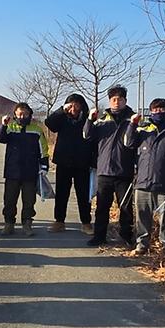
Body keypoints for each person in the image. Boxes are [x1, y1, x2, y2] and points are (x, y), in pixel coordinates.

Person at [123, 98, 165, 256]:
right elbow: (128, 143)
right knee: (142, 215)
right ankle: (142, 245)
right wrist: (132, 125)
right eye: (155, 110)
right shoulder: (144, 128)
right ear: (150, 111)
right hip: (142, 181)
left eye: (161, 109)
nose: (158, 113)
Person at [83, 85, 137, 247]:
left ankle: (126, 236)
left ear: (125, 101)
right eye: (113, 99)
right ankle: (99, 236)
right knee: (102, 207)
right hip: (104, 170)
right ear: (109, 101)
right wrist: (90, 120)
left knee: (126, 207)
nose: (116, 102)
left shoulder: (133, 120)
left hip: (125, 170)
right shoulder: (102, 120)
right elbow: (86, 135)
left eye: (120, 99)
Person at [44, 94, 95, 235]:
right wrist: (62, 110)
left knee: (83, 194)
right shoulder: (62, 119)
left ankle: (86, 223)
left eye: (76, 104)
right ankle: (59, 222)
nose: (73, 108)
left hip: (82, 163)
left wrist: (93, 161)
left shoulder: (87, 120)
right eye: (70, 105)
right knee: (61, 194)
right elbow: (49, 123)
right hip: (63, 161)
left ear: (81, 106)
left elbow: (93, 139)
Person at [0, 102, 49, 236]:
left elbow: (43, 149)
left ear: (30, 114)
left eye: (25, 114)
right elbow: (0, 139)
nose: (22, 116)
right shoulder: (10, 127)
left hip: (30, 172)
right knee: (9, 200)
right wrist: (3, 125)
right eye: (20, 113)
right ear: (15, 114)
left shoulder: (36, 130)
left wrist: (44, 166)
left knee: (29, 201)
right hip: (12, 171)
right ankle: (9, 223)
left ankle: (27, 223)